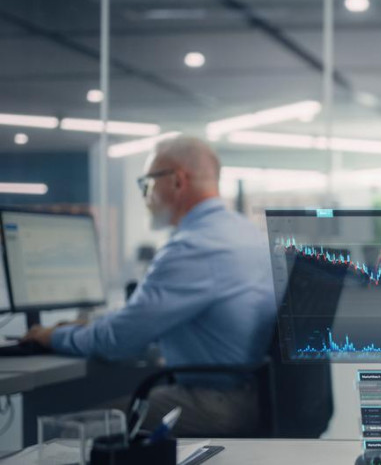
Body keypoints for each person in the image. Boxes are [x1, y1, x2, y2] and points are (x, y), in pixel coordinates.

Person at [21, 135, 277, 437]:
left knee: (62, 434)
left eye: (148, 183)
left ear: (177, 182)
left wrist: (54, 336)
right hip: (253, 393)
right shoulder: (246, 233)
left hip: (214, 403)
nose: (146, 196)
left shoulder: (191, 248)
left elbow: (118, 341)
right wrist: (92, 325)